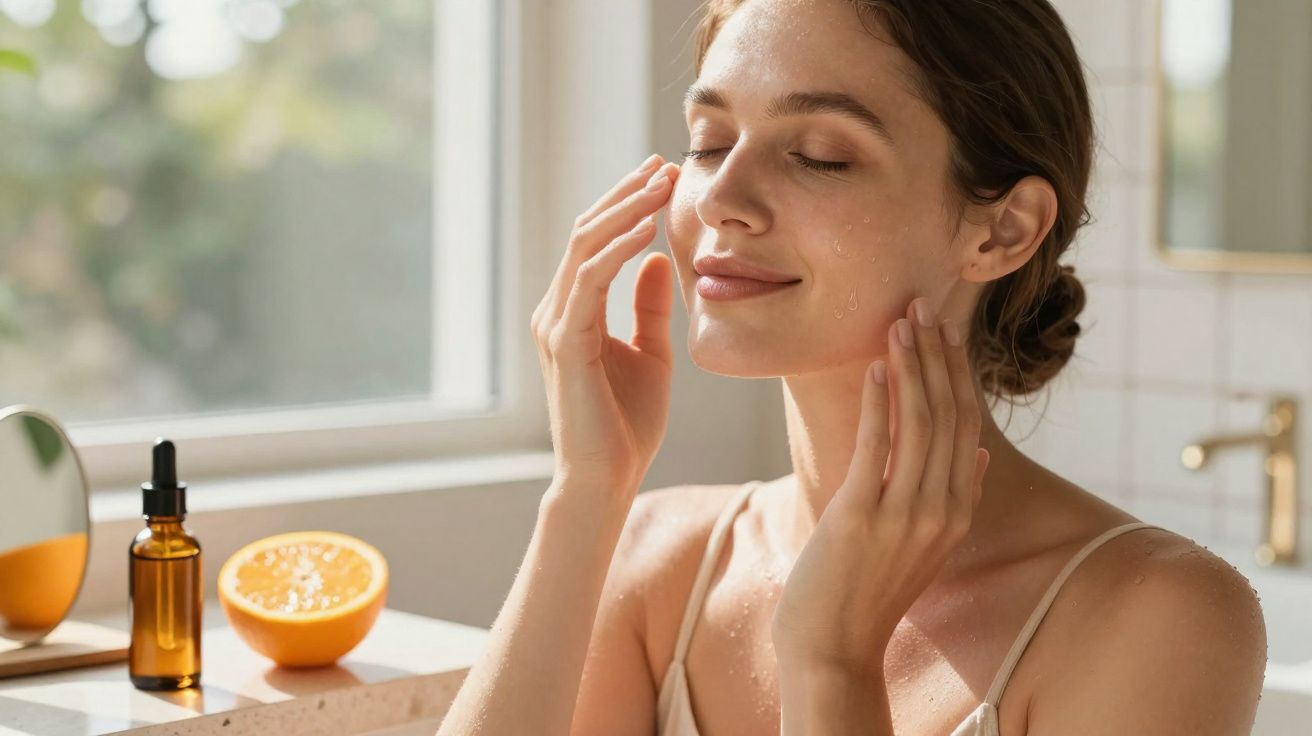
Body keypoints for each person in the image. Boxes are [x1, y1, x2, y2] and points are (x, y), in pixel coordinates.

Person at [438, 0, 1267, 734]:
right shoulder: (660, 561)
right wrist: (585, 491)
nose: (723, 195)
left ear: (1004, 230)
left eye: (822, 155)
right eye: (710, 141)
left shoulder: (1159, 617)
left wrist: (832, 661)